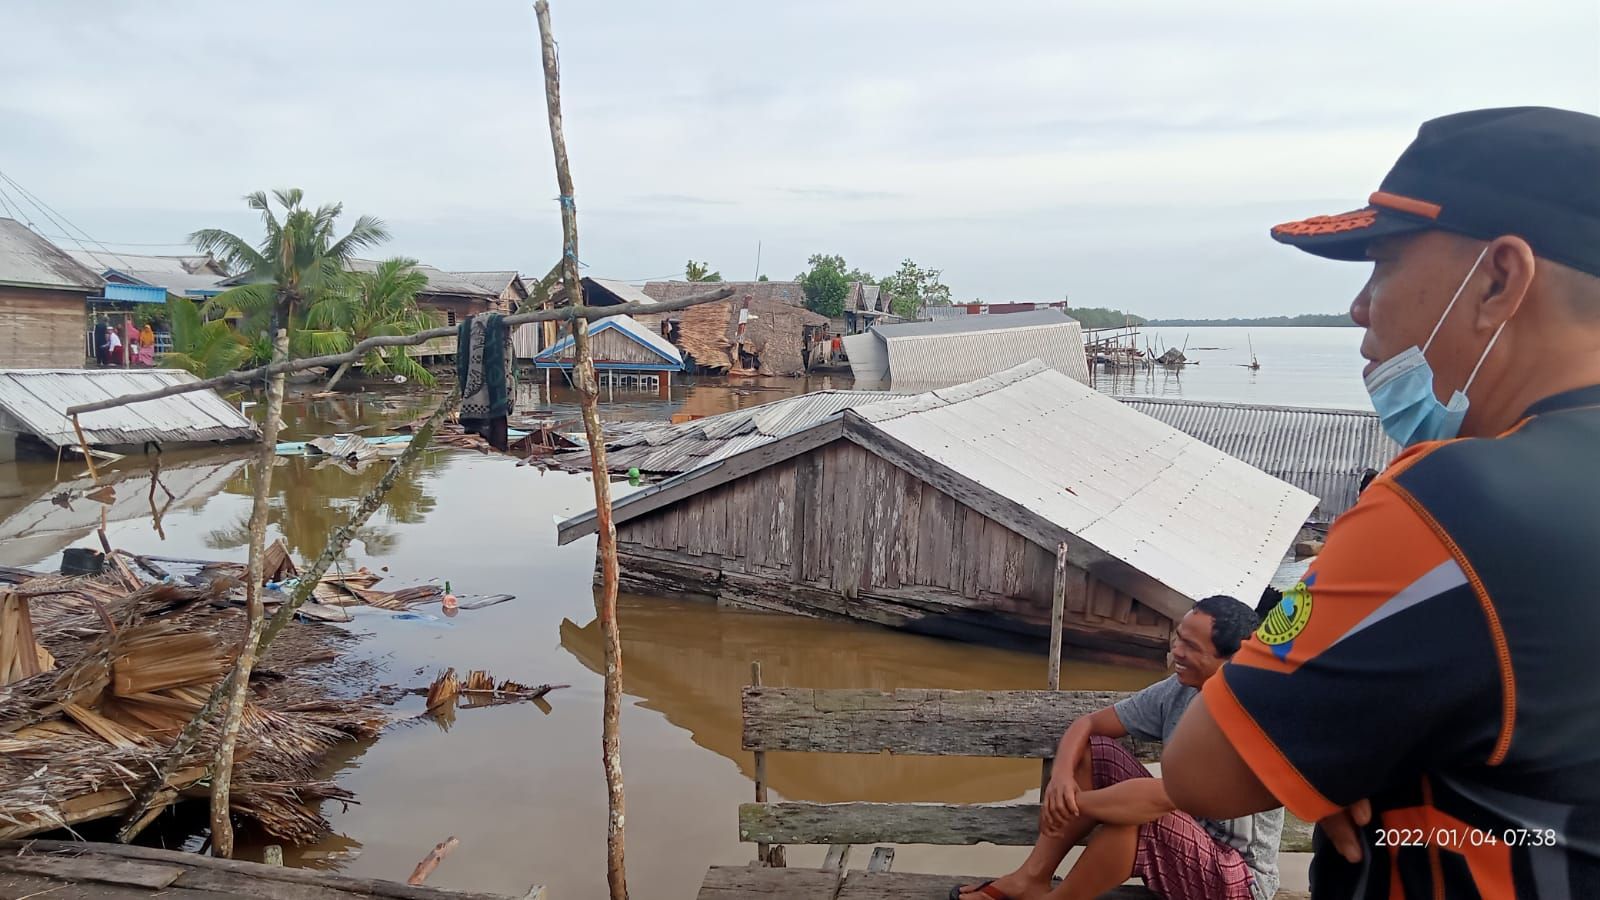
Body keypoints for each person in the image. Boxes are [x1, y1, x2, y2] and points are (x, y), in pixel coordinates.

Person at [1162, 107, 1600, 898]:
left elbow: (1203, 771)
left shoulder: (1451, 507)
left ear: (1499, 279)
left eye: (1383, 264)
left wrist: (1352, 753)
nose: (1360, 307)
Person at [954, 596, 1282, 900]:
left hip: (1240, 881)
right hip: (1187, 841)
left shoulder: (1250, 716)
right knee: (1095, 751)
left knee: (1139, 818)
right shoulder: (1181, 689)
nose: (1176, 652)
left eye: (1191, 646)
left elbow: (1165, 797)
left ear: (1233, 657)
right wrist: (1062, 779)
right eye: (1178, 637)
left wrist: (1071, 804)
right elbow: (1089, 725)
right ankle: (1031, 878)